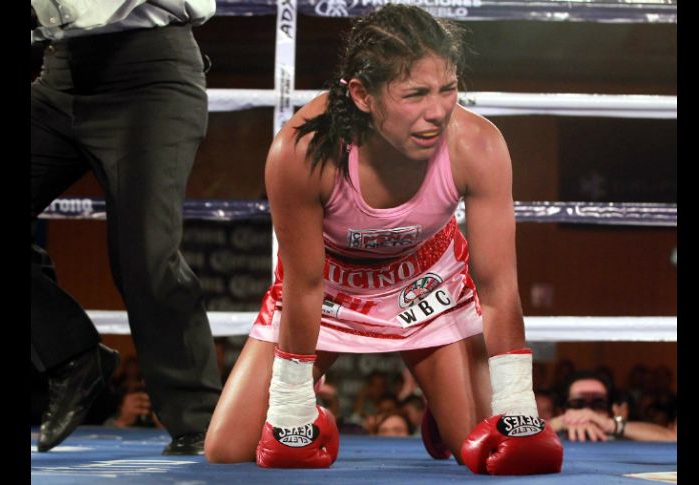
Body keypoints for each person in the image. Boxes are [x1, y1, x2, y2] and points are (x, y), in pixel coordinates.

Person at [204, 5, 562, 475]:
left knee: (483, 448)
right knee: (228, 448)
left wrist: (517, 403)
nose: (437, 112)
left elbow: (498, 288)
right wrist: (292, 405)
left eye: (448, 89)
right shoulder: (302, 152)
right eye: (414, 94)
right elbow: (305, 285)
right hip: (329, 289)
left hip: (428, 285)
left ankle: (444, 405)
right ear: (362, 95)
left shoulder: (478, 145)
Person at [30, 0, 222, 455]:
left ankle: (199, 421)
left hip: (151, 75)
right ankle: (73, 355)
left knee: (145, 255)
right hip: (61, 72)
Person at [548, 371, 676, 442]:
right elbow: (527, 442)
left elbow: (671, 438)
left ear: (611, 410)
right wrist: (555, 424)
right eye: (578, 404)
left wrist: (613, 425)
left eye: (598, 404)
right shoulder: (552, 438)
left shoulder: (622, 437)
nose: (587, 411)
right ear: (562, 410)